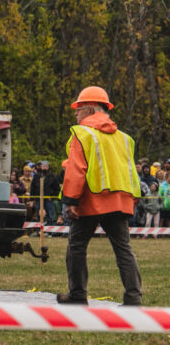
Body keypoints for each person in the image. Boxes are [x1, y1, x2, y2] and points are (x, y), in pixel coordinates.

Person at [57, 86, 142, 306]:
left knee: (76, 247)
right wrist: (133, 198)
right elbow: (130, 170)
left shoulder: (82, 134)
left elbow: (76, 169)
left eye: (78, 109)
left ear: (89, 109)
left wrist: (70, 201)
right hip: (120, 201)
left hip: (90, 201)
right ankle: (133, 297)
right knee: (124, 249)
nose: (76, 113)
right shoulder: (124, 138)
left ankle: (77, 295)